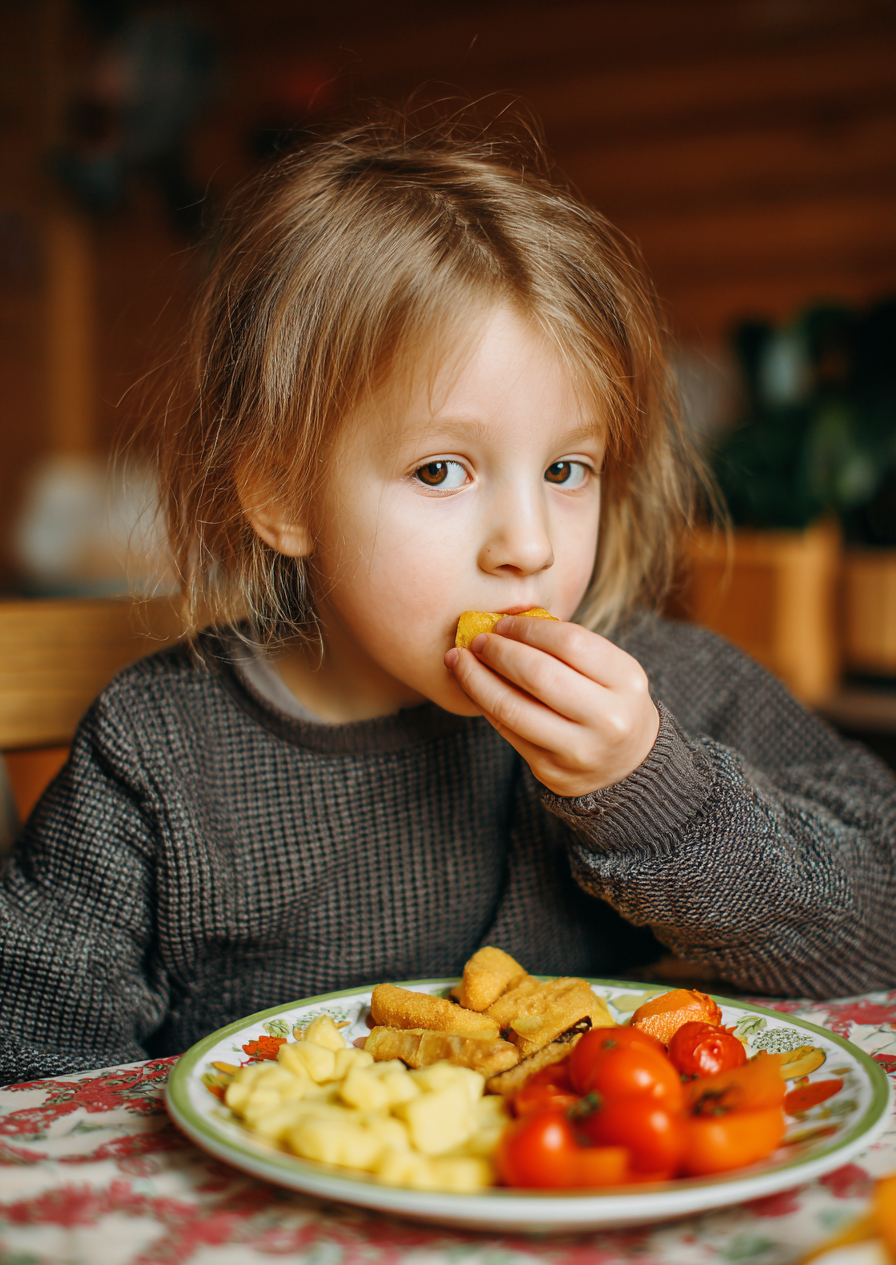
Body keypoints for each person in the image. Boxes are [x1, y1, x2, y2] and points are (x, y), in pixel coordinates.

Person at [2, 118, 895, 1087]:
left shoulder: (668, 689)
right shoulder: (159, 751)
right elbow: (35, 1065)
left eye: (565, 468)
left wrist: (653, 796)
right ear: (280, 494)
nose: (528, 544)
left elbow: (873, 935)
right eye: (440, 469)